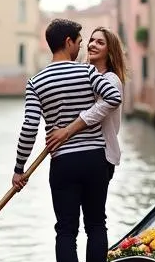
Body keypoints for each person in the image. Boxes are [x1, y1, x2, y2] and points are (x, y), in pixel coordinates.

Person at [11, 18, 123, 262]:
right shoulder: (87, 72)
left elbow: (28, 128)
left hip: (63, 163)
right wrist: (82, 120)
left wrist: (19, 168)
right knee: (96, 224)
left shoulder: (36, 82)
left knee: (65, 231)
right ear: (68, 42)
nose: (82, 47)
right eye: (79, 41)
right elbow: (112, 97)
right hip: (95, 158)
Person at [45, 26, 126, 184]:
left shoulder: (111, 80)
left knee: (92, 209)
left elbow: (95, 112)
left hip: (102, 154)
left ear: (110, 51)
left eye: (100, 42)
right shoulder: (83, 75)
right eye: (92, 40)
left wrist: (66, 132)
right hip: (75, 153)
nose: (92, 44)